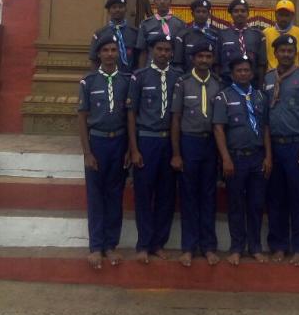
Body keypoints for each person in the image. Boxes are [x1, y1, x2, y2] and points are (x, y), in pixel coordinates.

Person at [126, 34, 182, 263]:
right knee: (144, 194)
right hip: (146, 141)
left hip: (169, 141)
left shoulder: (178, 78)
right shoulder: (139, 77)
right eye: (159, 49)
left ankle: (159, 242)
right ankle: (143, 244)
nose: (163, 53)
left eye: (168, 50)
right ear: (151, 51)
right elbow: (131, 114)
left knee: (166, 195)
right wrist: (134, 148)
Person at [78, 32, 130, 270]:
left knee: (114, 195)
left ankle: (111, 244)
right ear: (98, 54)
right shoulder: (88, 82)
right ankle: (96, 246)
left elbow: (130, 118)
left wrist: (130, 148)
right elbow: (82, 119)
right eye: (105, 50)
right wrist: (87, 153)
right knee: (96, 196)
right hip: (97, 143)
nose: (110, 54)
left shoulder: (127, 81)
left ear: (119, 53)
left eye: (113, 50)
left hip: (119, 142)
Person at [212, 55, 272, 265]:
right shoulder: (224, 97)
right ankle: (237, 247)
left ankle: (255, 246)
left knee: (256, 204)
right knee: (236, 204)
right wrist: (226, 159)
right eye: (239, 71)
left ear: (252, 73)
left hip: (257, 158)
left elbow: (265, 128)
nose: (243, 74)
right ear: (232, 74)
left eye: (247, 70)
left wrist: (268, 156)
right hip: (235, 158)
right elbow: (218, 129)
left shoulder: (260, 97)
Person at [263, 34, 299, 266]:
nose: (285, 54)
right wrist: (267, 153)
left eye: (289, 51)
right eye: (281, 51)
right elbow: (264, 117)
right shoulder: (267, 78)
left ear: (295, 53)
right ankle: (278, 245)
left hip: (296, 145)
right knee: (276, 198)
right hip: (274, 145)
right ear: (275, 54)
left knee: (298, 197)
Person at [171, 41, 221, 267]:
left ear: (212, 59)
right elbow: (176, 119)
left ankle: (209, 246)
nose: (203, 60)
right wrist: (176, 153)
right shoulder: (183, 83)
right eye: (200, 56)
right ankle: (189, 247)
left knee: (209, 196)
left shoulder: (218, 84)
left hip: (210, 144)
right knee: (189, 196)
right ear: (193, 58)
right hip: (189, 143)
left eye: (208, 56)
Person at [218, 0, 266, 87]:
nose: (239, 13)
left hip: (253, 84)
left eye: (243, 11)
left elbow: (261, 64)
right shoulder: (222, 35)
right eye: (236, 11)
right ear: (231, 14)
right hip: (227, 83)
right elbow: (217, 64)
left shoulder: (257, 35)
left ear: (248, 14)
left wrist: (260, 86)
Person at [136, 0, 186, 68]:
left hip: (172, 71)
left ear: (170, 1)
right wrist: (141, 73)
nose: (162, 1)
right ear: (154, 2)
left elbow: (182, 52)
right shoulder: (146, 24)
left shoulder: (179, 25)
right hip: (150, 70)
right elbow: (143, 52)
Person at [89, 0, 138, 75]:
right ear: (109, 11)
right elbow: (94, 60)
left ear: (126, 9)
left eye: (120, 7)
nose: (117, 10)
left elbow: (139, 58)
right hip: (106, 77)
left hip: (129, 78)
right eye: (114, 7)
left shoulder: (134, 33)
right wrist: (95, 78)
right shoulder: (100, 33)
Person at [173, 0, 220, 73]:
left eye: (204, 12)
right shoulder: (183, 34)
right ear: (192, 14)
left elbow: (218, 63)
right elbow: (178, 62)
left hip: (210, 79)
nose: (201, 14)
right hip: (188, 78)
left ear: (208, 14)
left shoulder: (217, 34)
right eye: (198, 11)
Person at [263, 0, 299, 71]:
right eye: (281, 15)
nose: (283, 18)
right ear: (275, 14)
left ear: (292, 16)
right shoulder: (266, 33)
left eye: (286, 15)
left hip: (294, 76)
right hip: (272, 76)